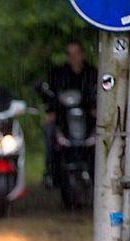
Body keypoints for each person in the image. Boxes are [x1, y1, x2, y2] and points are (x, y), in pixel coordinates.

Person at [42, 40, 98, 187]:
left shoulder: (92, 73)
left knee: (104, 134)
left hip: (87, 118)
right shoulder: (59, 74)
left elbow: (99, 93)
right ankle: (50, 170)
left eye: (76, 53)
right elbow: (51, 95)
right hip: (63, 118)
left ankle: (102, 172)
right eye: (70, 54)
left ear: (82, 54)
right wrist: (51, 112)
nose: (73, 57)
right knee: (49, 131)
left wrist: (96, 108)